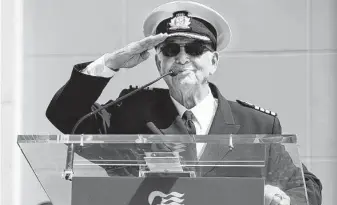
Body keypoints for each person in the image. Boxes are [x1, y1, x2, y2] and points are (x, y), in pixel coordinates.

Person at [46, 1, 322, 205]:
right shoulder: (131, 113)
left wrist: (282, 201)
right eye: (169, 50)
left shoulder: (257, 124)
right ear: (158, 62)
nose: (181, 58)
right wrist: (110, 64)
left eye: (194, 49)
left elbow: (304, 186)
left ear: (213, 62)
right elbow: (66, 116)